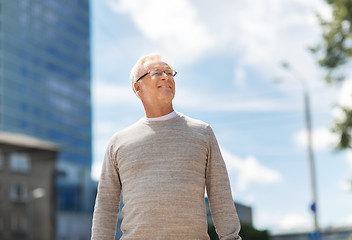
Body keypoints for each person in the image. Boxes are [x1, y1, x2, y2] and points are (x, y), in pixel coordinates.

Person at [91, 54, 241, 240]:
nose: (166, 77)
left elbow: (220, 195)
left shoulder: (202, 132)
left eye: (169, 72)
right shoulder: (119, 142)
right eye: (157, 73)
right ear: (137, 87)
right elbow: (106, 206)